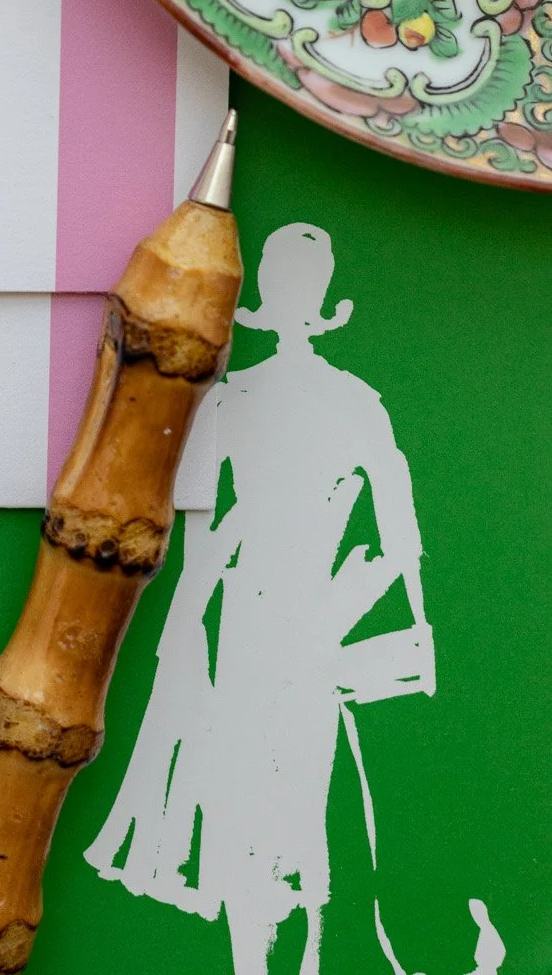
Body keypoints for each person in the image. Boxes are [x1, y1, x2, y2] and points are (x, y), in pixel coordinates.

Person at [86, 224, 502, 975]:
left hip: (259, 616)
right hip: (295, 616)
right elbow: (399, 534)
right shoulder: (345, 403)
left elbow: (205, 533)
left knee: (269, 800)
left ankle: (278, 956)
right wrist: (402, 617)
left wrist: (188, 631)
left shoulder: (244, 400)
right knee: (293, 798)